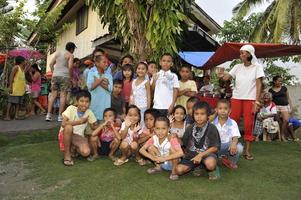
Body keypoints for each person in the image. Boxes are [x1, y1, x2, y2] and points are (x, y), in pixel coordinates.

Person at [217, 44, 265, 160]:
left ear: (249, 54)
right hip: (236, 98)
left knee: (249, 125)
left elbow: (259, 85)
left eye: (243, 52)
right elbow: (226, 78)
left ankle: (247, 151)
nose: (241, 55)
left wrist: (257, 102)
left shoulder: (257, 67)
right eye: (240, 52)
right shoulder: (237, 67)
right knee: (232, 122)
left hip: (250, 100)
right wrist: (221, 75)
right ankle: (227, 147)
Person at [175, 101, 221, 180]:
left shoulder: (212, 128)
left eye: (202, 114)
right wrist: (176, 137)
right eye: (196, 114)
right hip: (192, 155)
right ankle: (198, 166)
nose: (199, 117)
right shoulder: (190, 128)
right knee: (178, 170)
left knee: (210, 164)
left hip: (207, 155)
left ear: (208, 116)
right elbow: (184, 144)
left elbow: (215, 147)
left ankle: (212, 169)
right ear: (193, 115)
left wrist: (200, 155)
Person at [59, 90, 98, 166]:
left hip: (78, 137)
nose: (84, 104)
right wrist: (80, 122)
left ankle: (73, 149)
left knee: (86, 152)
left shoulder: (89, 112)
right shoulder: (71, 108)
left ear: (89, 103)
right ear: (77, 101)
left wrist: (104, 124)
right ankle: (67, 155)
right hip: (65, 133)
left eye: (87, 102)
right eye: (81, 101)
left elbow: (94, 126)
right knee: (69, 127)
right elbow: (63, 124)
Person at [139, 116, 184, 180]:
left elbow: (181, 153)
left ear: (168, 128)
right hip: (160, 161)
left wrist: (164, 158)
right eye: (157, 128)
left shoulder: (172, 138)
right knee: (151, 147)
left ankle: (174, 172)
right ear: (154, 129)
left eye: (163, 128)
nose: (160, 131)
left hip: (172, 163)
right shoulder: (154, 138)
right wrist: (152, 157)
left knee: (172, 149)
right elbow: (141, 150)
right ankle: (158, 167)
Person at [46, 42, 75, 122]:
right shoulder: (70, 55)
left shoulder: (58, 53)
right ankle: (59, 116)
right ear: (72, 49)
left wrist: (53, 73)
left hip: (55, 75)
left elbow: (51, 64)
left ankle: (48, 115)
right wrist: (70, 77)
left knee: (53, 95)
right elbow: (70, 67)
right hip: (65, 76)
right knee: (63, 96)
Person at [212, 99, 243, 169]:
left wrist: (234, 143)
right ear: (216, 110)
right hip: (216, 147)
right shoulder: (212, 123)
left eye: (225, 109)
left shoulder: (233, 122)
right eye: (220, 108)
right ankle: (219, 159)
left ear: (230, 111)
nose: (223, 111)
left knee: (239, 148)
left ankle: (232, 161)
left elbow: (235, 136)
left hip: (228, 146)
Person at [87, 55, 113, 121]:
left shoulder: (109, 75)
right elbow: (91, 87)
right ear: (97, 63)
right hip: (94, 105)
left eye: (107, 62)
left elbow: (110, 88)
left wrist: (98, 81)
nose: (106, 64)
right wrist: (102, 80)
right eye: (104, 62)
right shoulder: (91, 73)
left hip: (105, 106)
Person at [269, 75, 293, 141]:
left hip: (284, 106)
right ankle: (278, 136)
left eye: (281, 81)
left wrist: (290, 107)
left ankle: (282, 135)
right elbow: (270, 100)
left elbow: (288, 98)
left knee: (286, 120)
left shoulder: (284, 88)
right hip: (275, 107)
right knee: (277, 121)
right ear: (274, 81)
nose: (280, 82)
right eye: (279, 81)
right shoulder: (270, 90)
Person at [4, 56, 27, 120]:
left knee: (18, 103)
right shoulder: (16, 67)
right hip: (15, 88)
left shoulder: (22, 69)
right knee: (10, 102)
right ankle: (7, 116)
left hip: (20, 90)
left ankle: (16, 116)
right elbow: (11, 76)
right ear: (21, 61)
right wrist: (10, 86)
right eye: (25, 60)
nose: (26, 62)